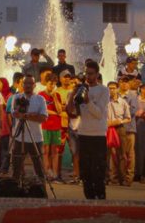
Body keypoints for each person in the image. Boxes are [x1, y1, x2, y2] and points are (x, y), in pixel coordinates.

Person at [66, 59, 109, 200]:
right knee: (85, 171)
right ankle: (89, 200)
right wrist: (73, 94)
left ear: (97, 74)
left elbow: (98, 114)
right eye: (86, 73)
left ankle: (101, 198)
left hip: (98, 135)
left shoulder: (103, 90)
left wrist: (88, 101)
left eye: (91, 74)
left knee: (98, 170)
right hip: (83, 134)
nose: (88, 76)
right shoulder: (81, 90)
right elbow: (72, 112)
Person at [11, 74, 47, 182]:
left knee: (39, 167)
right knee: (16, 167)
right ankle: (15, 188)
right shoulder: (17, 97)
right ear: (22, 84)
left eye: (30, 83)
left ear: (34, 85)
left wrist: (27, 116)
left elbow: (43, 118)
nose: (27, 86)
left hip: (35, 138)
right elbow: (15, 114)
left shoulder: (40, 99)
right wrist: (32, 115)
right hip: (19, 137)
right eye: (25, 83)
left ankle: (43, 190)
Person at [38, 72, 62, 183]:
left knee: (55, 151)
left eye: (54, 84)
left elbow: (60, 111)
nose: (52, 86)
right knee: (45, 151)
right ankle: (46, 173)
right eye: (50, 83)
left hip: (56, 126)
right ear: (46, 83)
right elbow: (43, 110)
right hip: (45, 126)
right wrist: (54, 113)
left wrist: (54, 98)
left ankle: (54, 175)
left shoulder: (57, 95)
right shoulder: (40, 95)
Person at [106, 81, 131, 186]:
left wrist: (119, 121)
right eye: (110, 88)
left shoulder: (123, 102)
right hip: (106, 128)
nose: (111, 90)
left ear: (117, 89)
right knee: (106, 154)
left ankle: (122, 178)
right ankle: (107, 178)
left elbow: (128, 118)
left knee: (122, 154)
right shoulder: (104, 101)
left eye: (113, 88)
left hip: (119, 128)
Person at [133, 80, 145, 183]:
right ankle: (136, 173)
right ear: (142, 89)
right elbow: (134, 113)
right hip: (136, 127)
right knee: (137, 150)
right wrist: (140, 114)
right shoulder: (135, 100)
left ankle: (144, 174)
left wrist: (143, 113)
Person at [0, 77, 12, 177]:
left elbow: (10, 109)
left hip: (6, 125)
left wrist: (4, 104)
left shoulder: (10, 96)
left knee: (5, 148)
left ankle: (4, 169)